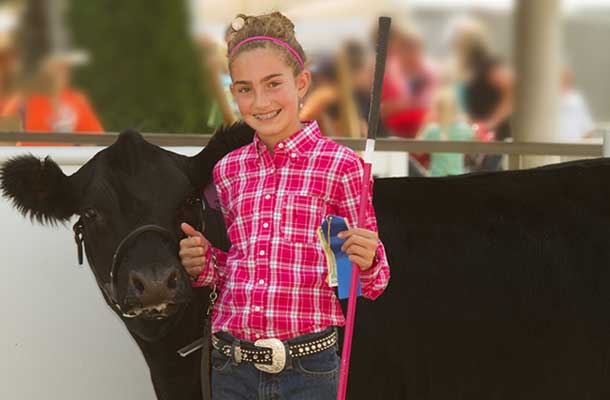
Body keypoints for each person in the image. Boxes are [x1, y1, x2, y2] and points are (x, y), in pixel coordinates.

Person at [179, 12, 390, 399]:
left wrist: (369, 258)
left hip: (307, 370)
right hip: (232, 365)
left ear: (301, 83)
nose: (260, 101)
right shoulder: (228, 171)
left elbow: (368, 284)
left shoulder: (341, 167)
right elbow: (242, 266)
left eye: (273, 84)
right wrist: (208, 262)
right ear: (234, 94)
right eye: (244, 89)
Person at [418, 87, 474, 176]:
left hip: (435, 176)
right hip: (457, 175)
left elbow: (418, 151)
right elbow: (473, 149)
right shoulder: (464, 129)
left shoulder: (432, 130)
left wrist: (425, 122)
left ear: (437, 109)